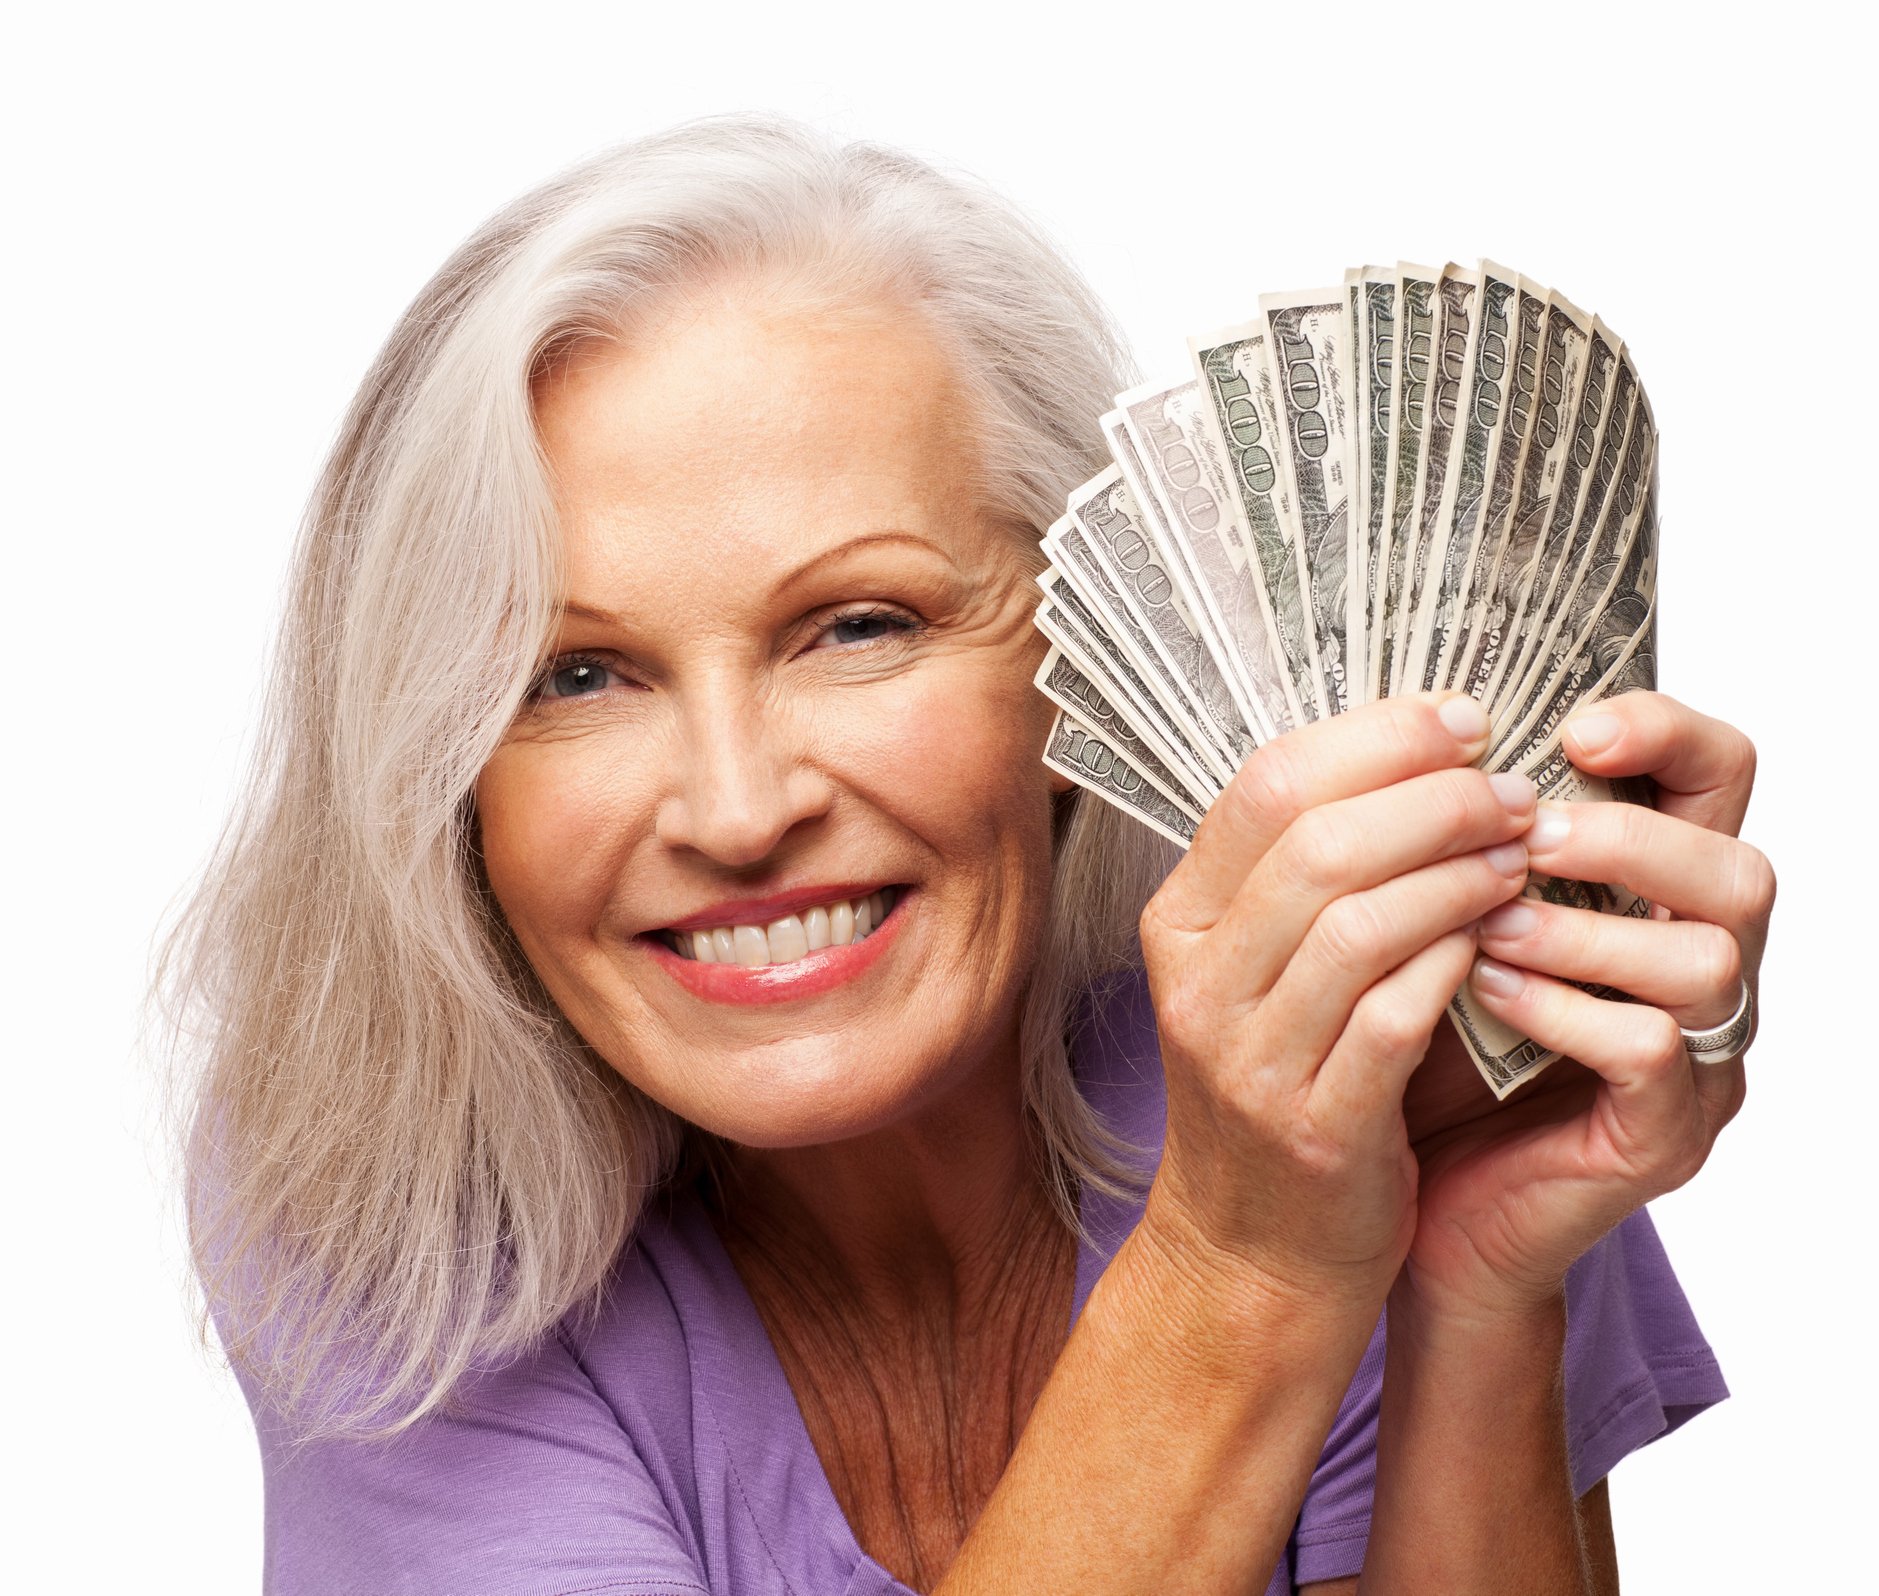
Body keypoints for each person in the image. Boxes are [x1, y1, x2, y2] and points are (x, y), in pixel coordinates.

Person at [156, 115, 1772, 1594]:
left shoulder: (1307, 1008)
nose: (736, 810)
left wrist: (1473, 1283)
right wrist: (1238, 1257)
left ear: (1099, 660)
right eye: (576, 676)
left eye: (858, 626)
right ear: (446, 776)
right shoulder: (378, 1186)